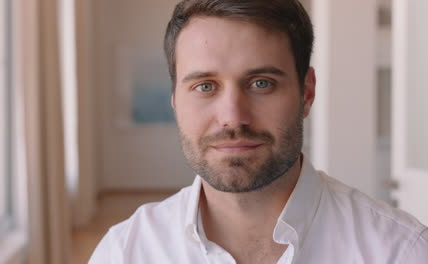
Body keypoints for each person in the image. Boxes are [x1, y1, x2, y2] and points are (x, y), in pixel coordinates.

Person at [89, 0, 428, 263]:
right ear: (175, 98)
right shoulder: (125, 251)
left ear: (306, 93)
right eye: (205, 86)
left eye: (261, 83)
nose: (233, 117)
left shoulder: (399, 251)